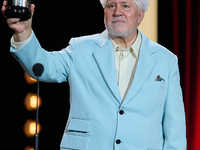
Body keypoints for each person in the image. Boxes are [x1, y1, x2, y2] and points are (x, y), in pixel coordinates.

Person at [2, 0, 187, 149]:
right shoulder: (80, 49)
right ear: (104, 12)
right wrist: (24, 32)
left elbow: (174, 128)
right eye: (111, 6)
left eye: (125, 5)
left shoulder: (165, 60)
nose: (117, 12)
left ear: (140, 15)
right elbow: (42, 67)